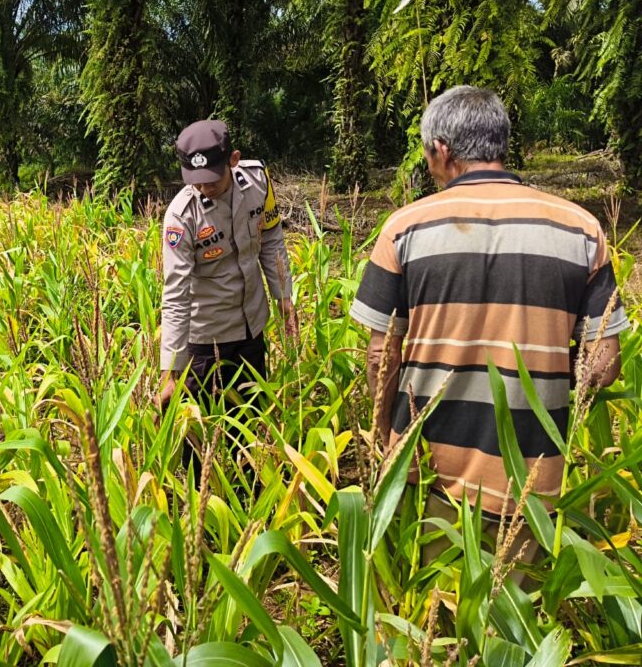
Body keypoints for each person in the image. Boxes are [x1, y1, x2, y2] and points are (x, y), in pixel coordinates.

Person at [350, 85, 627, 570]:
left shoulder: (404, 228)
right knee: (517, 632)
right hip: (532, 484)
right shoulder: (581, 228)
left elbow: (380, 357)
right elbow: (604, 364)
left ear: (442, 150)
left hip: (426, 473)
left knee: (428, 626)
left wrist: (382, 439)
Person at [157, 119, 297, 409]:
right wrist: (170, 371)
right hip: (207, 340)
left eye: (211, 179)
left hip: (251, 327)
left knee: (250, 418)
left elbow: (271, 238)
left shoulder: (258, 181)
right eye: (196, 180)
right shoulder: (181, 217)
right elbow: (176, 295)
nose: (204, 188)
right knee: (200, 439)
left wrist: (283, 296)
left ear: (234, 160)